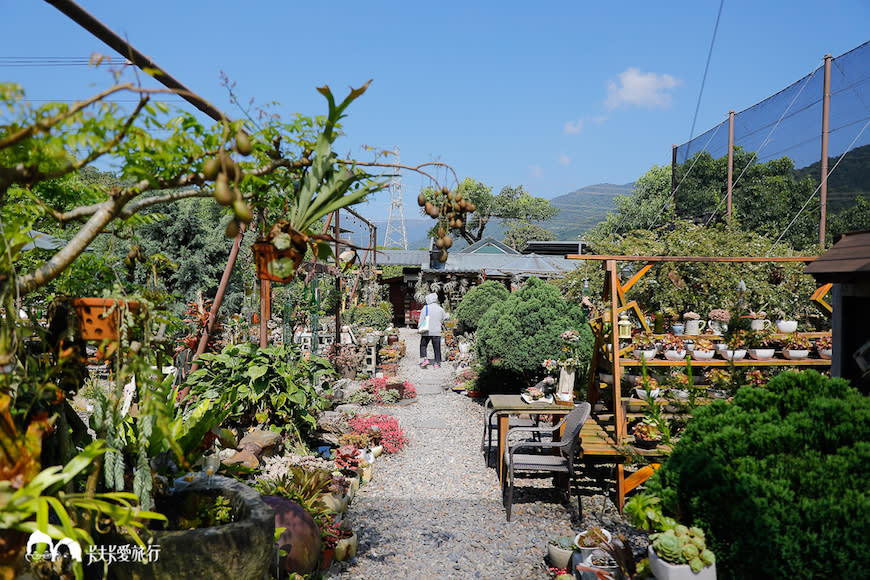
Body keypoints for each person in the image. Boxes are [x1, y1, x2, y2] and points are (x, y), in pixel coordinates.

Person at [419, 292, 449, 369]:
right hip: (437, 331)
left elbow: (421, 319)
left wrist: (419, 328)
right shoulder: (440, 309)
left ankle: (425, 359)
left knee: (423, 345)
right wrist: (448, 315)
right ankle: (437, 363)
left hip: (426, 331)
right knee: (437, 347)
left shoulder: (425, 308)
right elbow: (445, 317)